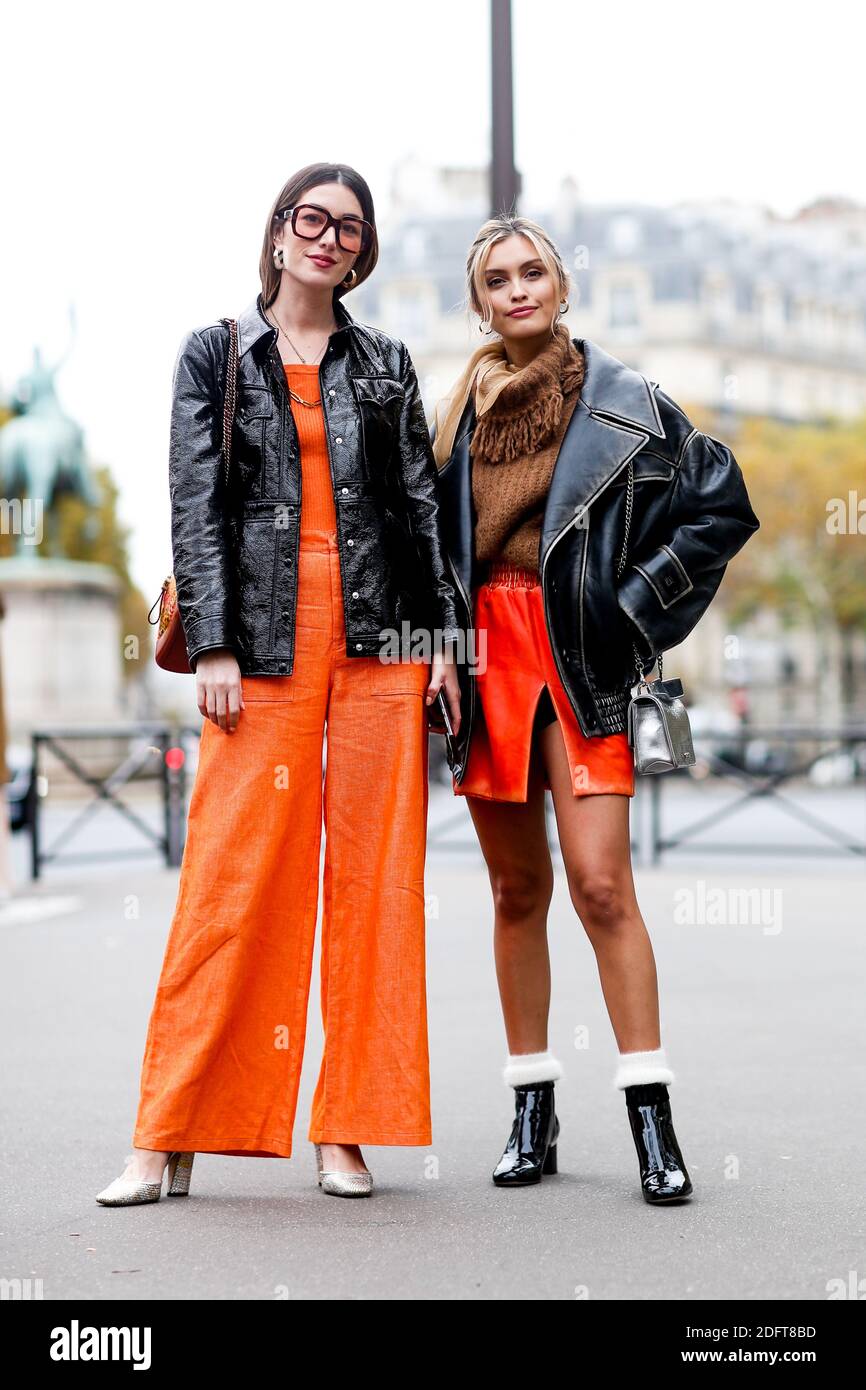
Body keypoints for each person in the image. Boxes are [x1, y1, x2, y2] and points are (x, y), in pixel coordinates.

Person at [96, 163, 462, 1206]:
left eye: (348, 227)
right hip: (259, 647)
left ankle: (344, 1127)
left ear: (362, 249)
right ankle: (163, 1133)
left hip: (380, 644)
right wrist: (211, 640)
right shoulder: (215, 352)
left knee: (374, 891)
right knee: (228, 884)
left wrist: (437, 634)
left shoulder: (384, 362)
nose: (328, 237)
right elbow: (192, 501)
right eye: (312, 218)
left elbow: (419, 506)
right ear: (277, 232)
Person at [430, 214, 759, 1203]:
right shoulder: (450, 421)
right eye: (497, 277)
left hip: (582, 659)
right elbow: (425, 552)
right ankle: (531, 1110)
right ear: (479, 300)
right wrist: (435, 646)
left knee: (601, 885)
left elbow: (720, 505)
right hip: (486, 662)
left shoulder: (628, 403)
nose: (517, 288)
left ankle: (650, 1118)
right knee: (512, 894)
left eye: (533, 271)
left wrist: (632, 606)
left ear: (560, 286)